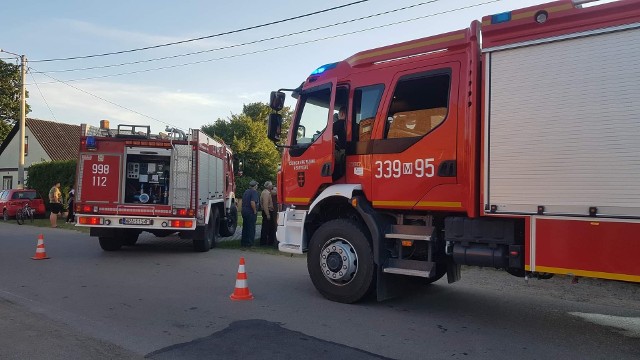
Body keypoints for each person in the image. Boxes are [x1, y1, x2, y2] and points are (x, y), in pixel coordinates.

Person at [240, 180, 259, 247]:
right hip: (250, 212)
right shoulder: (254, 192)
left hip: (244, 211)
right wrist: (254, 211)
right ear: (255, 186)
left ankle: (243, 242)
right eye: (256, 185)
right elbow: (252, 202)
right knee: (251, 227)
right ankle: (250, 243)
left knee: (245, 227)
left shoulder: (246, 191)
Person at [259, 181, 275, 246]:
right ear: (269, 186)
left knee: (269, 227)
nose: (272, 186)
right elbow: (265, 204)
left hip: (267, 211)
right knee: (266, 227)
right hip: (267, 211)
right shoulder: (266, 193)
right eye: (271, 185)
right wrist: (267, 214)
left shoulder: (267, 192)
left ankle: (267, 242)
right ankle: (264, 242)